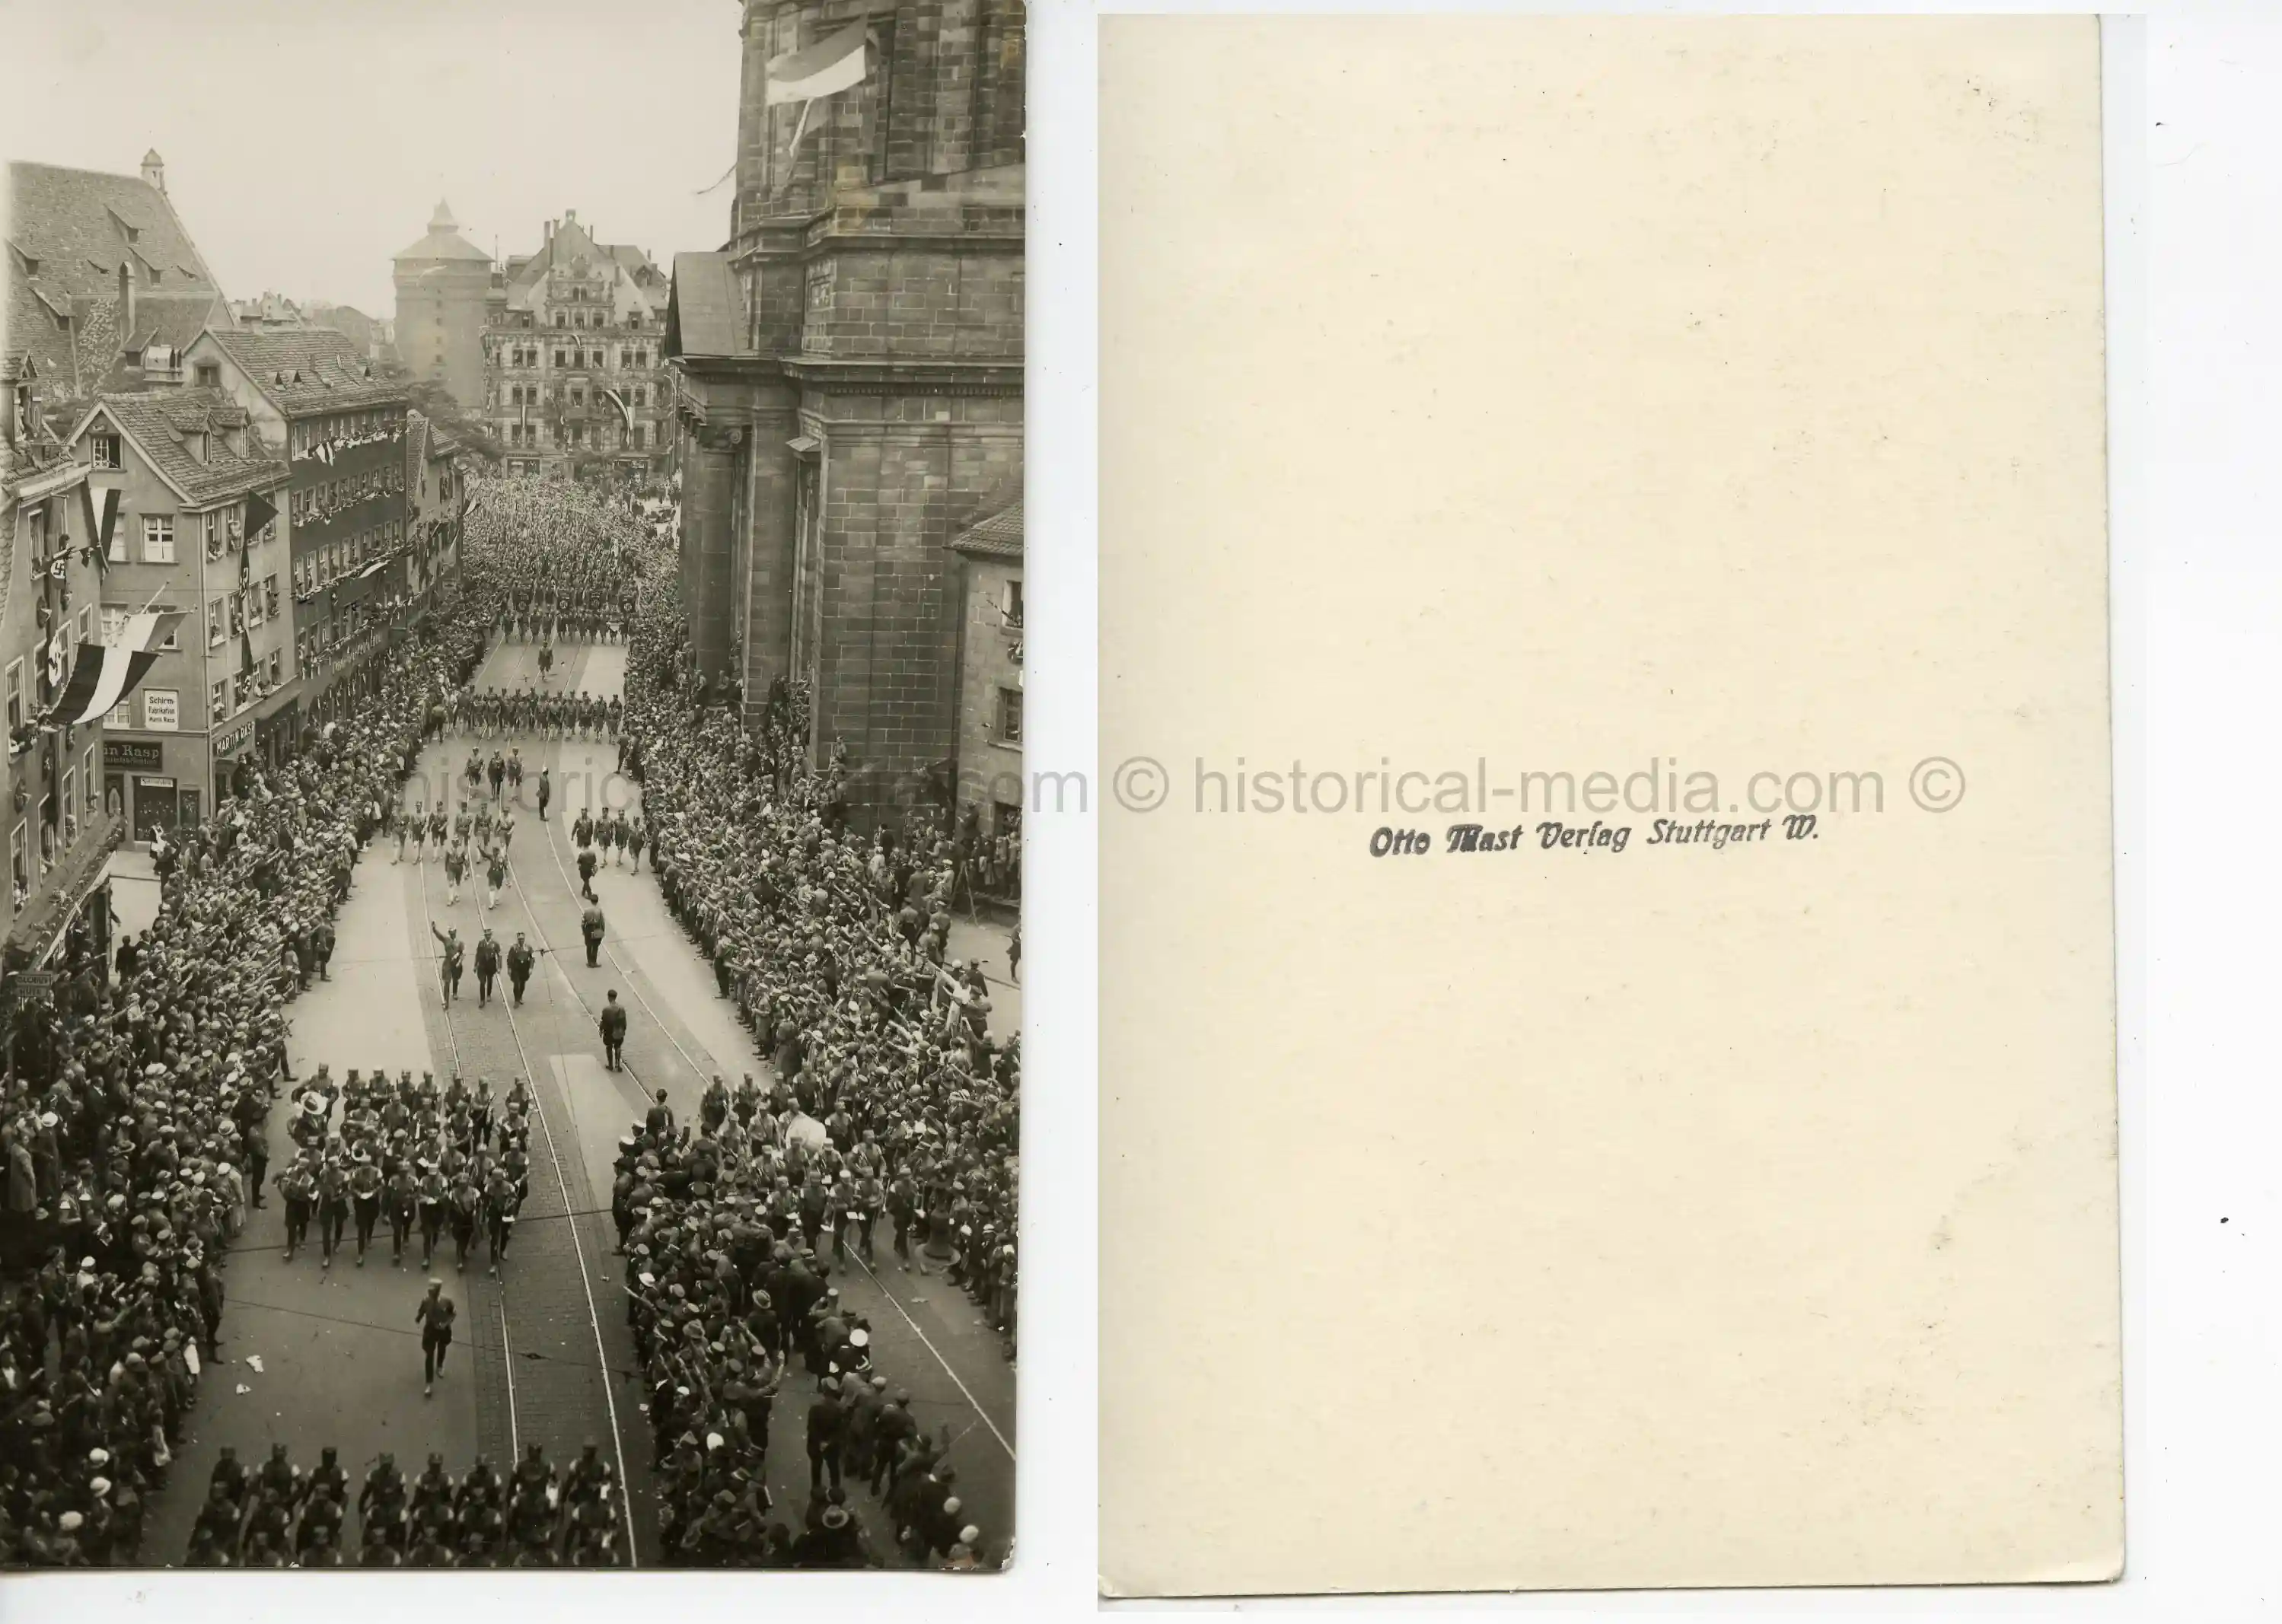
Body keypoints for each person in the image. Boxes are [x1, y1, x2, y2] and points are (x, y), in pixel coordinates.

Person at [416, 1279, 456, 1397]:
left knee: (442, 1347)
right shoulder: (426, 1301)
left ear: (438, 1291)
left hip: (443, 1330)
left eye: (432, 1290)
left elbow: (453, 1314)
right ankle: (429, 1384)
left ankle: (439, 1365)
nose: (429, 1292)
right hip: (430, 1330)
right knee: (429, 1355)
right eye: (429, 1289)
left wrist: (445, 1324)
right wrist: (418, 1318)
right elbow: (422, 1311)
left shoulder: (446, 1302)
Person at [432, 924, 464, 1007]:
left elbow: (462, 954)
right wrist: (434, 930)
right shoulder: (447, 940)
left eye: (453, 932)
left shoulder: (460, 943)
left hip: (456, 963)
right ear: (449, 933)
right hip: (448, 962)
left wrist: (459, 962)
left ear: (456, 932)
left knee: (456, 979)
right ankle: (446, 1001)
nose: (452, 934)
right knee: (447, 982)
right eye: (451, 932)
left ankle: (454, 992)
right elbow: (440, 937)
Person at [599, 990, 628, 1072]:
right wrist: (623, 1030)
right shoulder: (621, 1009)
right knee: (618, 1047)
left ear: (609, 997)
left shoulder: (606, 1010)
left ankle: (610, 1065)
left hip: (609, 1032)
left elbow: (603, 1022)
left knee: (609, 1047)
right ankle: (618, 1065)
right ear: (616, 997)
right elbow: (624, 1022)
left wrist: (601, 1030)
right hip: (619, 1031)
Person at [506, 932, 536, 1006]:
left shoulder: (528, 947)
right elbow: (509, 958)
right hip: (516, 968)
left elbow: (532, 958)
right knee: (516, 983)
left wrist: (531, 968)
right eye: (519, 939)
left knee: (522, 984)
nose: (521, 940)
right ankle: (516, 1000)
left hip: (525, 968)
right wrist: (509, 968)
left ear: (524, 939)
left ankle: (520, 996)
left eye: (522, 939)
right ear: (517, 939)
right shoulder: (514, 947)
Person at [474, 929, 501, 1008]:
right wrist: (475, 965)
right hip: (482, 964)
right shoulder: (481, 943)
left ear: (491, 935)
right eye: (486, 935)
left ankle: (488, 994)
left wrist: (499, 966)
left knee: (490, 979)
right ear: (485, 935)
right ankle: (482, 1000)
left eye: (489, 935)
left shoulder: (495, 944)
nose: (488, 936)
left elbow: (499, 955)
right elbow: (478, 954)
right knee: (482, 982)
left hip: (491, 964)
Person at [581, 900, 605, 967]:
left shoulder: (586, 911)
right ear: (597, 901)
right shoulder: (599, 911)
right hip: (596, 929)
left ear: (591, 901)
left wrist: (583, 930)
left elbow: (583, 922)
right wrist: (603, 931)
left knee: (589, 946)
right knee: (595, 946)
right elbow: (602, 922)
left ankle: (589, 962)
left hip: (588, 929)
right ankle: (594, 962)